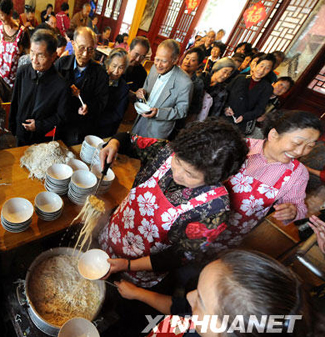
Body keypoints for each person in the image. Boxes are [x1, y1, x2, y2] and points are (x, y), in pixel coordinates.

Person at [98, 120, 248, 288]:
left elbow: (179, 256)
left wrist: (128, 265)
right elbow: (128, 139)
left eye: (190, 174)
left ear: (216, 179)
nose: (177, 173)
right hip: (112, 233)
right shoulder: (168, 151)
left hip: (137, 268)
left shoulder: (215, 209)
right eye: (177, 161)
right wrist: (114, 144)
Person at [122, 250, 324, 337]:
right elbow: (179, 309)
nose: (190, 296)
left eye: (200, 301)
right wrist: (139, 293)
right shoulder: (204, 320)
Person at [214, 110, 323, 251]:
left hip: (229, 237)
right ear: (273, 135)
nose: (300, 152)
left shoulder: (298, 173)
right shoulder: (241, 146)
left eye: (309, 146)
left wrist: (293, 211)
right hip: (196, 221)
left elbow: (300, 208)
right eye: (297, 143)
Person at [9, 29, 69, 146]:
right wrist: (12, 126)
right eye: (32, 52)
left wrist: (39, 125)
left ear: (53, 56)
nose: (34, 60)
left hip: (42, 138)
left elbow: (61, 117)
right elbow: (15, 100)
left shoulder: (61, 85)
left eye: (40, 55)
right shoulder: (23, 71)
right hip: (20, 132)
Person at [54, 26, 108, 145]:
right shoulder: (61, 64)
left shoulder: (100, 73)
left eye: (90, 49)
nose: (85, 54)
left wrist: (88, 106)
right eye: (82, 48)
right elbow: (50, 91)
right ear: (73, 44)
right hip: (59, 121)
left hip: (82, 126)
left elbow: (102, 102)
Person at [132, 39, 193, 140]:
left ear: (175, 60)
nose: (158, 65)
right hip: (141, 119)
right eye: (156, 59)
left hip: (158, 128)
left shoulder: (185, 83)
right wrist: (140, 93)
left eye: (164, 61)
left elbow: (182, 111)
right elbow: (145, 90)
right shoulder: (153, 68)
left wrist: (158, 112)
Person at [225, 53, 275, 135]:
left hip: (241, 124)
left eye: (267, 68)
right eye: (261, 66)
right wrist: (226, 108)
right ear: (255, 65)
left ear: (270, 71)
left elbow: (260, 109)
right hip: (224, 117)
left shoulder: (267, 88)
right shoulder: (240, 78)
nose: (262, 70)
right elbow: (225, 94)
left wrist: (244, 117)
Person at [97, 48, 129, 138]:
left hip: (106, 127)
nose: (116, 71)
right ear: (108, 64)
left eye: (121, 67)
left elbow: (118, 114)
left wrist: (98, 121)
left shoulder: (124, 88)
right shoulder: (99, 78)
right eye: (114, 66)